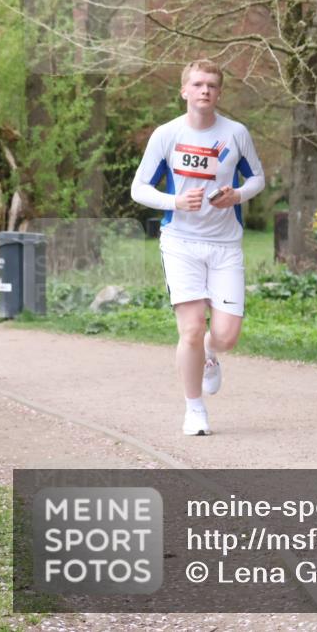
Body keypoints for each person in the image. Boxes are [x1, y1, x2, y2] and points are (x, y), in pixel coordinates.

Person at [131, 59, 265, 436]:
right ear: (184, 91)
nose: (205, 90)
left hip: (225, 245)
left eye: (212, 85)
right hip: (181, 243)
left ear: (219, 93)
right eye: (198, 84)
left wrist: (237, 193)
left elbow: (257, 177)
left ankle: (210, 352)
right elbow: (139, 188)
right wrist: (175, 202)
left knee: (226, 337)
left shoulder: (236, 133)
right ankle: (194, 410)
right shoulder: (166, 135)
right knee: (189, 329)